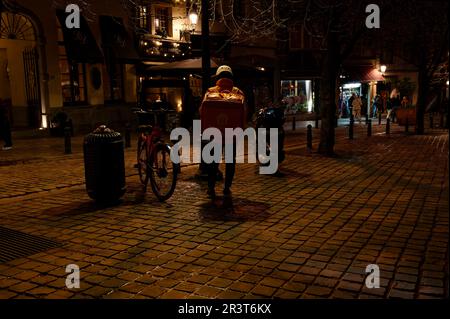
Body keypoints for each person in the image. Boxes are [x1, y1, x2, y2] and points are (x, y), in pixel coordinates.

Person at [200, 65, 246, 199]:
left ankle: (211, 188)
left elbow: (202, 112)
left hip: (214, 133)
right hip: (232, 133)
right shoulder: (238, 93)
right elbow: (244, 113)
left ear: (218, 77)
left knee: (213, 162)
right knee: (230, 162)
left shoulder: (210, 91)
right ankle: (227, 188)